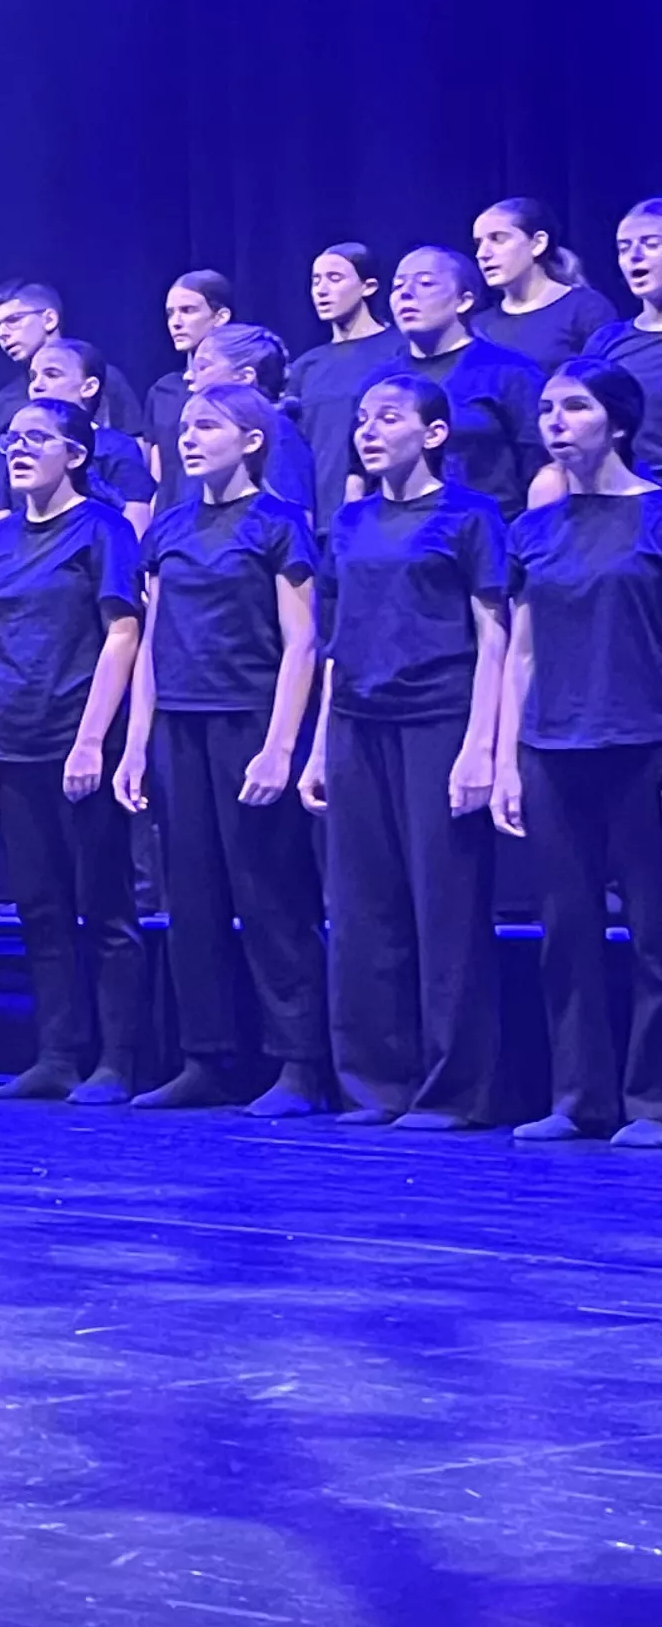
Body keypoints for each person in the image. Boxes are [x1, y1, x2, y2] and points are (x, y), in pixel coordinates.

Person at [114, 387, 332, 1114]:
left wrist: (279, 748)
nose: (190, 438)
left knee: (270, 894)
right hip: (179, 724)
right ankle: (206, 1056)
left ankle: (299, 1062)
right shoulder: (169, 529)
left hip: (248, 721)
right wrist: (135, 742)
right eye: (185, 427)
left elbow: (302, 642)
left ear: (252, 440)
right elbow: (148, 643)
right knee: (193, 898)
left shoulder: (278, 525)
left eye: (208, 426)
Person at [300, 377, 509, 1129]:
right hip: (357, 721)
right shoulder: (351, 522)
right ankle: (375, 1083)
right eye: (361, 418)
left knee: (445, 910)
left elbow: (495, 635)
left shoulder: (470, 516)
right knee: (362, 911)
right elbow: (334, 642)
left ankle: (454, 1089)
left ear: (434, 433)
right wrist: (320, 747)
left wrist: (481, 747)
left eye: (388, 417)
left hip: (438, 721)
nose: (369, 430)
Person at [492, 358, 662, 1148]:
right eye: (550, 410)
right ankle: (578, 1097)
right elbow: (517, 653)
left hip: (641, 742)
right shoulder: (532, 531)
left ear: (617, 423)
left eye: (576, 407)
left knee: (655, 930)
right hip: (551, 745)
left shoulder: (657, 516)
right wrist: (502, 759)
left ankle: (651, 1100)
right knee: (567, 932)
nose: (557, 422)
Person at [0, 399, 151, 1102]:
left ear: (74, 455)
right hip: (13, 744)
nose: (18, 450)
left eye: (36, 439)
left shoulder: (100, 529)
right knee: (38, 908)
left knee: (104, 907)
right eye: (12, 440)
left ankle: (117, 1059)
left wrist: (90, 741)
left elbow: (122, 635)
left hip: (79, 742)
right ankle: (57, 1053)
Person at [387, 246, 549, 512]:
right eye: (397, 286)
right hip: (403, 542)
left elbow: (544, 466)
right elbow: (360, 476)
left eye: (425, 283)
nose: (406, 294)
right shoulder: (382, 382)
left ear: (463, 300)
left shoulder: (510, 372)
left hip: (492, 535)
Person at [295, 243, 398, 504]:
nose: (321, 289)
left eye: (334, 278)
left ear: (368, 286)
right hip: (316, 510)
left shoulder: (398, 350)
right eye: (316, 280)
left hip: (377, 505)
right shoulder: (308, 365)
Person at [183, 323, 319, 510]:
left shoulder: (279, 432)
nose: (188, 376)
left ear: (243, 377)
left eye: (203, 367)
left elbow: (296, 517)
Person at [472, 198, 619, 369]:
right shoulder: (480, 326)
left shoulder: (585, 310)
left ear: (538, 243)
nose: (482, 254)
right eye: (479, 243)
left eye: (497, 239)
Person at [28, 337, 157, 531]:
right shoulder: (20, 446)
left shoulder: (117, 447)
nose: (36, 386)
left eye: (52, 374)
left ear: (89, 387)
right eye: (33, 377)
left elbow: (135, 526)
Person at [0, 281, 142, 436]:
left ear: (49, 319)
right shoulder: (3, 403)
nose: (2, 333)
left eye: (13, 320)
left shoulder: (104, 379)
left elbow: (136, 446)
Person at [145, 271, 235, 494]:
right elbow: (157, 473)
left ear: (220, 317)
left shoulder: (236, 390)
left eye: (187, 311)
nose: (176, 322)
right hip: (172, 518)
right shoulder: (164, 390)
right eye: (170, 313)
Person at [599, 200, 662, 478]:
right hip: (624, 502)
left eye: (651, 244)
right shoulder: (606, 341)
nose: (634, 256)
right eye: (624, 248)